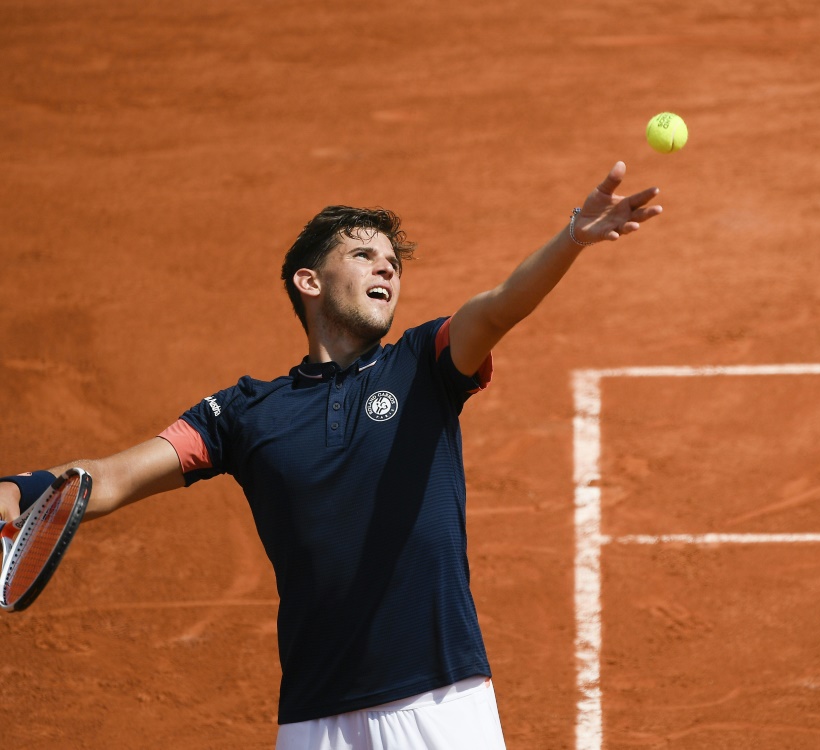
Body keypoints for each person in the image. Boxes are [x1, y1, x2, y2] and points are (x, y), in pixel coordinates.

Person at [0, 161, 662, 750]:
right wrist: (16, 491)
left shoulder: (422, 365)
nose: (387, 268)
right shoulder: (241, 413)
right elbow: (111, 477)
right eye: (364, 254)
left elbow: (497, 309)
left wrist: (570, 239)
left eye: (393, 262)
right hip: (314, 716)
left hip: (437, 698)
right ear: (308, 280)